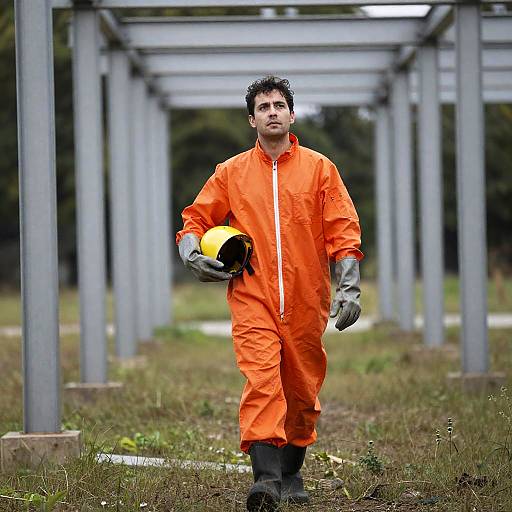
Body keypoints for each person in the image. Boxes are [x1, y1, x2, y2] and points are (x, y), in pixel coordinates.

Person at [176, 76, 363, 512]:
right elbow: (194, 221)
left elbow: (343, 229)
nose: (273, 111)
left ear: (292, 114)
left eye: (280, 104)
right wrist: (191, 253)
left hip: (306, 300)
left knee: (301, 389)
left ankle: (291, 471)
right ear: (252, 119)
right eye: (264, 107)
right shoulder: (230, 173)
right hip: (252, 297)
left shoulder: (321, 169)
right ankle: (265, 481)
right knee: (262, 381)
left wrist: (349, 285)